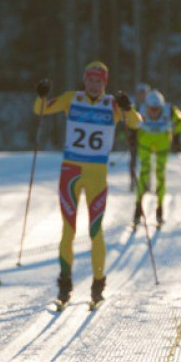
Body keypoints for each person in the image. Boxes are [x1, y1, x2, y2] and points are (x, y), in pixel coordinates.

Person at [33, 61, 141, 308]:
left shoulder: (112, 105)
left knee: (95, 231)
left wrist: (128, 107)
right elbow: (40, 110)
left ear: (105, 83)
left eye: (99, 81)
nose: (94, 85)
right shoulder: (72, 99)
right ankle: (64, 285)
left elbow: (136, 123)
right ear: (85, 81)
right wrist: (41, 94)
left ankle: (98, 285)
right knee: (68, 229)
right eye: (90, 81)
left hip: (97, 174)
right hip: (70, 172)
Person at [128, 89, 181, 227]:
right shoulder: (139, 108)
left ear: (162, 106)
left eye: (157, 109)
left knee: (160, 173)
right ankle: (138, 207)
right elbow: (129, 118)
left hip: (162, 143)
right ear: (146, 106)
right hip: (145, 142)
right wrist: (132, 134)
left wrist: (176, 136)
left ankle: (160, 208)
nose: (153, 112)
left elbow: (180, 119)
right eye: (151, 109)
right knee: (144, 173)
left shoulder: (170, 110)